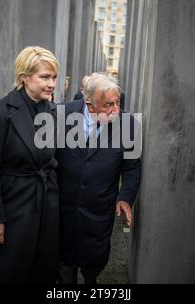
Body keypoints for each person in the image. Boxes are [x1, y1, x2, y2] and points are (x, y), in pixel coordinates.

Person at [0, 46, 60, 283]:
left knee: (43, 271)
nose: (52, 84)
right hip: (13, 209)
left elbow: (53, 161)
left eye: (54, 77)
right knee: (8, 273)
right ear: (24, 77)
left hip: (46, 207)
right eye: (45, 77)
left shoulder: (52, 111)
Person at [56, 72, 141, 284]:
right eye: (109, 105)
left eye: (118, 103)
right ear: (89, 104)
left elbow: (131, 167)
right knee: (64, 264)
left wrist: (125, 197)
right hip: (61, 207)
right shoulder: (58, 114)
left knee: (95, 259)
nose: (116, 110)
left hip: (99, 209)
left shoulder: (129, 125)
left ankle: (91, 278)